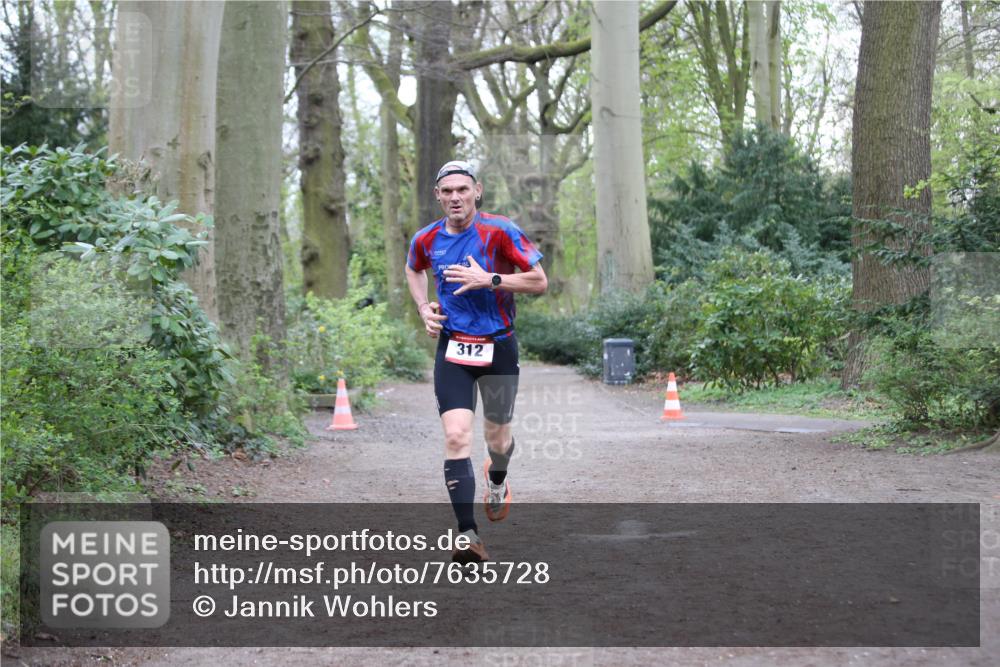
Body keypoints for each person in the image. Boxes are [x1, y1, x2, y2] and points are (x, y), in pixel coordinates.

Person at [405, 160, 548, 564]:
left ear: (477, 191)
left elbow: (539, 281)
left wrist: (491, 279)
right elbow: (413, 268)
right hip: (453, 349)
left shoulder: (499, 231)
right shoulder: (426, 238)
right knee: (456, 437)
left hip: (498, 347)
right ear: (438, 195)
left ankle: (497, 477)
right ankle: (468, 535)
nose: (455, 197)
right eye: (447, 191)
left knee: (497, 441)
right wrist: (423, 307)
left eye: (463, 190)